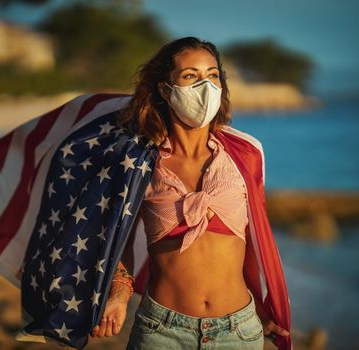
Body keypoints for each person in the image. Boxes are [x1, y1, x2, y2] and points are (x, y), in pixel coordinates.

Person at [88, 37, 291, 349]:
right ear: (165, 90)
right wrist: (119, 293)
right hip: (162, 331)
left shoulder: (245, 154)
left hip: (239, 330)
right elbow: (117, 239)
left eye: (212, 75)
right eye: (190, 76)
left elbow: (254, 243)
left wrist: (265, 308)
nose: (205, 86)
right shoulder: (141, 161)